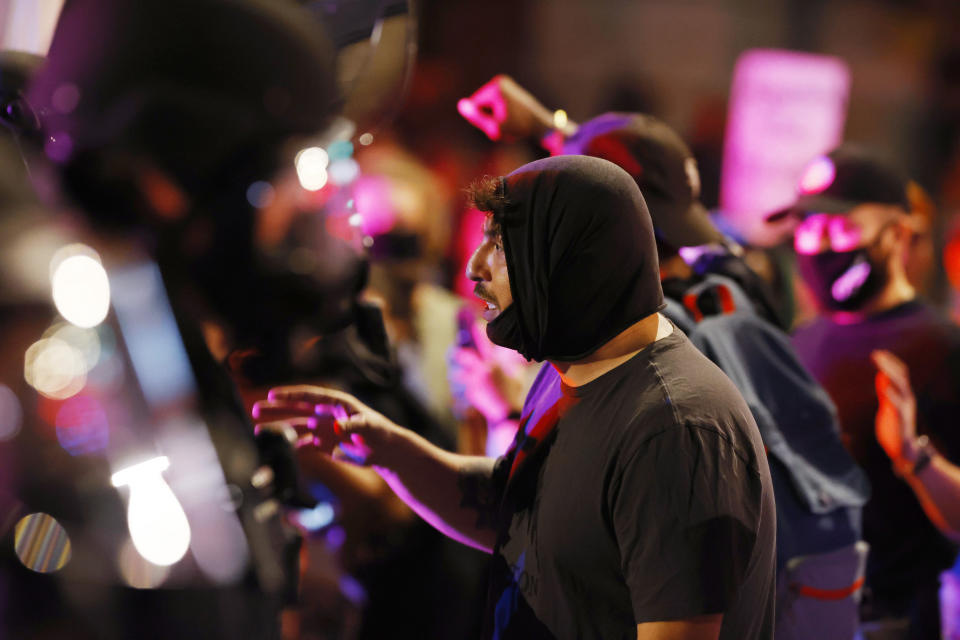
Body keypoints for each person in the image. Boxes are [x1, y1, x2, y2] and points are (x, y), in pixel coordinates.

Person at [256, 154, 777, 640]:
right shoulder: (572, 366)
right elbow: (515, 514)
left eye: (502, 248)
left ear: (574, 263)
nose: (475, 267)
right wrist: (387, 448)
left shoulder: (678, 430)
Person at [457, 74, 870, 638]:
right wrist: (553, 132)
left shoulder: (654, 372)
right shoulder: (732, 285)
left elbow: (585, 502)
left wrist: (507, 414)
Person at [770, 145, 960, 639]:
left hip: (888, 620)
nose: (819, 243)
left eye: (841, 226)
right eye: (808, 226)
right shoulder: (801, 341)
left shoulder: (942, 347)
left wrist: (911, 457)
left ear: (897, 232)